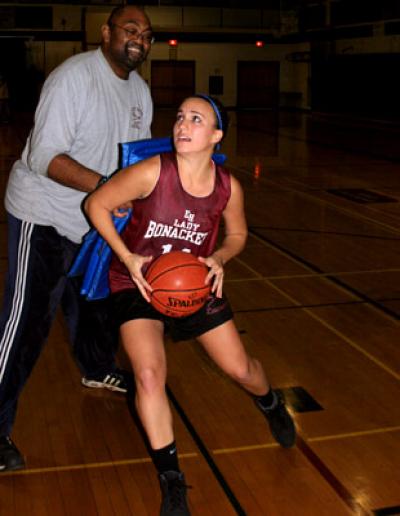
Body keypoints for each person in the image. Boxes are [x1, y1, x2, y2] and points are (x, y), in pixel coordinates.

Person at [84, 94, 296, 516]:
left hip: (195, 283)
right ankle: (173, 481)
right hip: (139, 282)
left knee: (241, 370)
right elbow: (97, 204)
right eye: (180, 116)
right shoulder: (152, 171)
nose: (182, 124)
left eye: (195, 119)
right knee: (147, 375)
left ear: (216, 135)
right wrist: (127, 258)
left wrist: (219, 257)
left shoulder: (226, 187)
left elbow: (237, 235)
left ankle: (269, 401)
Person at [0, 4, 154, 472]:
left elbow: (137, 163)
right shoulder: (73, 78)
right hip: (42, 214)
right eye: (131, 30)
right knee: (26, 325)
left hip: (94, 223)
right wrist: (109, 187)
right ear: (106, 32)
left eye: (147, 34)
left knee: (93, 307)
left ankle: (97, 368)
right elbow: (46, 155)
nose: (140, 40)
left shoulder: (141, 93)